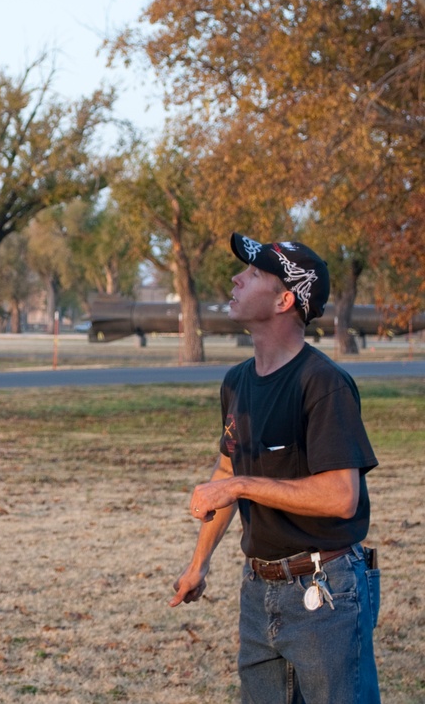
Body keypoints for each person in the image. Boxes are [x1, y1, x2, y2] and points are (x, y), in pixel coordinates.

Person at [170, 233, 380, 704]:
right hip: (258, 591)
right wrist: (198, 565)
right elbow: (227, 474)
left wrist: (242, 485)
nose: (235, 278)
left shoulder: (323, 384)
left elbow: (340, 496)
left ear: (285, 299)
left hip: (324, 593)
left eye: (255, 274)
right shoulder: (237, 382)